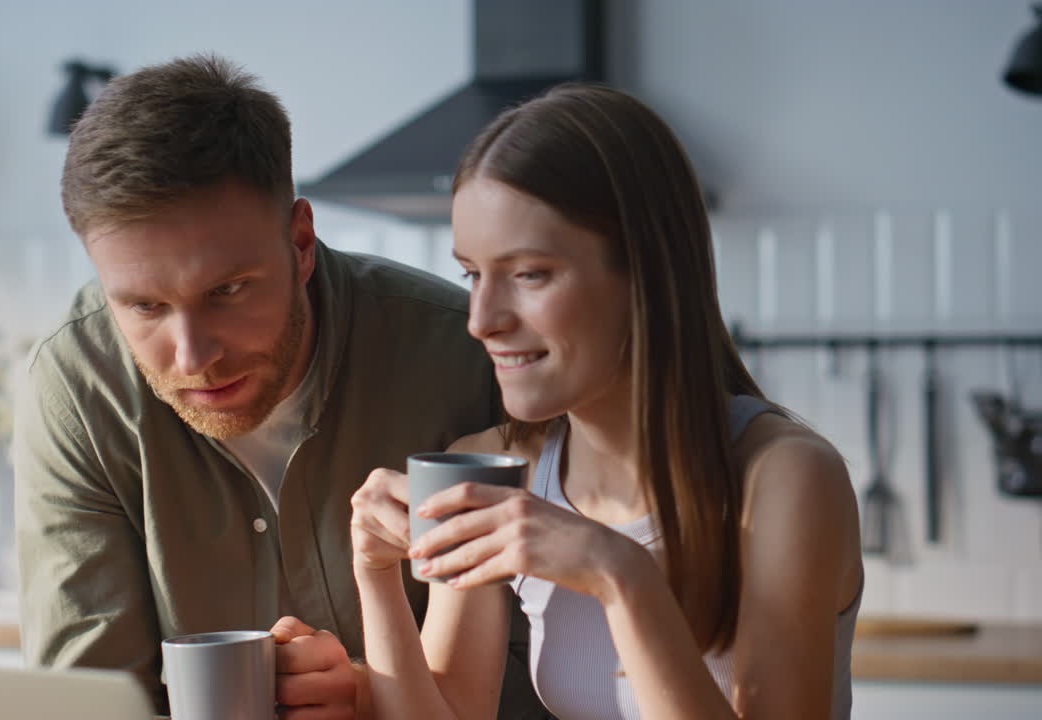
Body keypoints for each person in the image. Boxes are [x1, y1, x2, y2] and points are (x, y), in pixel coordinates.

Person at [13, 55, 550, 719]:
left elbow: (565, 675)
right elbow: (87, 702)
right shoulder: (78, 388)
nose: (192, 357)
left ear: (299, 242)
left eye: (228, 291)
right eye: (144, 307)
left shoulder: (468, 359)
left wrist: (366, 690)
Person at [350, 84, 865, 719]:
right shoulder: (491, 467)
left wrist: (620, 575)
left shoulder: (784, 479)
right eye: (473, 275)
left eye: (530, 274)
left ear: (646, 274)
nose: (481, 320)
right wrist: (375, 576)